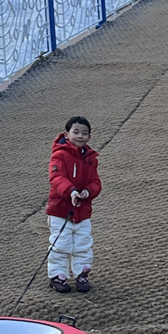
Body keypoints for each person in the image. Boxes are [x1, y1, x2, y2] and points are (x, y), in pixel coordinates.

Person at [47, 116, 101, 293]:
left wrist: (87, 192)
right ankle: (57, 275)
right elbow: (57, 178)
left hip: (82, 211)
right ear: (67, 134)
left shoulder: (91, 159)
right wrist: (71, 191)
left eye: (84, 133)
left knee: (83, 243)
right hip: (60, 210)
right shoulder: (59, 155)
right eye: (76, 132)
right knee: (60, 244)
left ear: (89, 137)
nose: (80, 136)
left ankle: (81, 274)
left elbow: (95, 182)